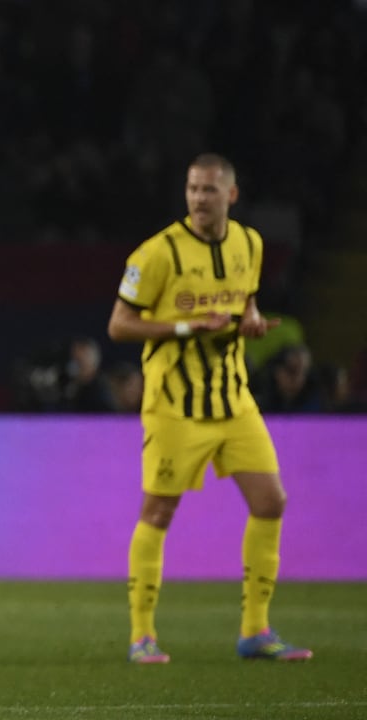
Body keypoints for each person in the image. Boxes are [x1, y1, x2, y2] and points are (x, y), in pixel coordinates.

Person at [108, 152, 312, 665]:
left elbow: (245, 302)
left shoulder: (250, 244)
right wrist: (185, 326)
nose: (199, 198)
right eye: (193, 189)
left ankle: (255, 631)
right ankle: (141, 636)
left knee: (271, 502)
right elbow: (119, 325)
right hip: (175, 405)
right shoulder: (157, 253)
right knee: (158, 511)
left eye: (209, 190)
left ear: (231, 195)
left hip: (233, 399)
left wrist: (251, 320)